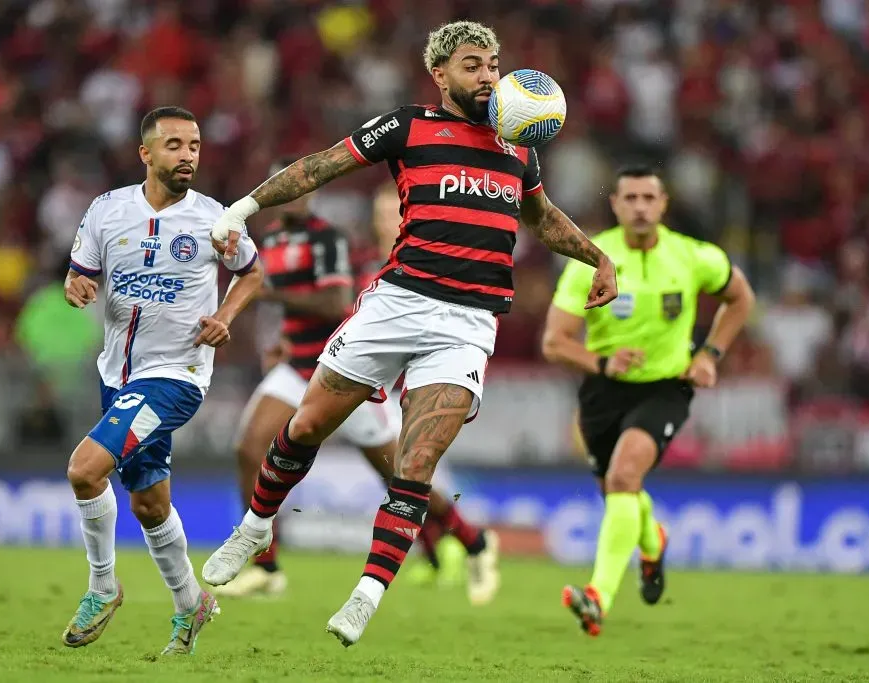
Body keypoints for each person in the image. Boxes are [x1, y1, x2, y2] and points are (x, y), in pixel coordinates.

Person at [203, 20, 617, 647]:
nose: (488, 75)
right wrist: (242, 209)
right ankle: (257, 526)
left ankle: (367, 595)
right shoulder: (409, 127)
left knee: (415, 464)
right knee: (306, 426)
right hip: (396, 304)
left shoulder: (520, 149)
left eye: (494, 64)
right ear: (441, 74)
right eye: (473, 64)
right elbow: (321, 166)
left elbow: (544, 219)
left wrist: (597, 258)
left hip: (469, 324)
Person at [216, 164, 496, 602]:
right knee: (250, 447)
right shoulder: (361, 255)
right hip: (304, 367)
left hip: (360, 381)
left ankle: (473, 540)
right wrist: (289, 340)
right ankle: (265, 566)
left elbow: (341, 307)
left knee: (400, 477)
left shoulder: (401, 258)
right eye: (385, 212)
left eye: (397, 211)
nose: (392, 219)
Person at [61, 106, 264, 655]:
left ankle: (102, 588)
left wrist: (225, 316)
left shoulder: (216, 219)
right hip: (117, 375)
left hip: (177, 375)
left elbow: (252, 273)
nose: (188, 155)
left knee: (84, 470)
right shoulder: (107, 210)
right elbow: (82, 272)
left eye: (194, 145)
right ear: (146, 154)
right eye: (174, 145)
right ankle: (192, 604)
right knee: (150, 504)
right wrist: (76, 286)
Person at [542, 164, 755, 636]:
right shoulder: (592, 260)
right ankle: (651, 539)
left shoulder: (694, 257)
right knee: (620, 491)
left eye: (648, 198)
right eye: (630, 198)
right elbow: (554, 342)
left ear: (663, 205)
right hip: (602, 390)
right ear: (615, 205)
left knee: (623, 476)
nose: (640, 207)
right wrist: (603, 363)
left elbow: (740, 298)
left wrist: (710, 355)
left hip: (665, 387)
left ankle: (597, 596)